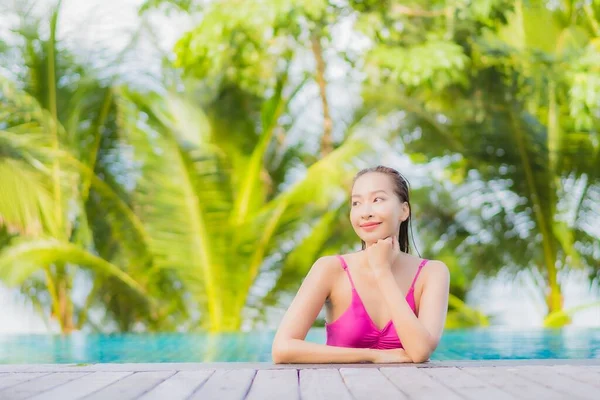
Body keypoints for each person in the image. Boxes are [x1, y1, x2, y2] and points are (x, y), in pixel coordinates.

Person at [272, 165, 450, 363]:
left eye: (377, 200)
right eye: (356, 203)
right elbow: (282, 348)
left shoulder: (432, 273)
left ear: (403, 210)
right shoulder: (331, 269)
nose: (365, 212)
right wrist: (372, 355)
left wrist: (382, 271)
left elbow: (420, 352)